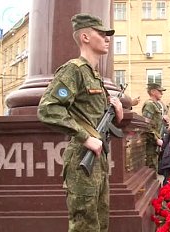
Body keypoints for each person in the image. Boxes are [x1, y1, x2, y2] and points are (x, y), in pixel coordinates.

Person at [37, 13, 123, 232]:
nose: (107, 38)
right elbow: (48, 108)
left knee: (100, 223)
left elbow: (92, 117)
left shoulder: (94, 76)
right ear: (85, 37)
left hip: (98, 159)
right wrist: (85, 138)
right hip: (82, 160)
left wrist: (116, 113)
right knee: (85, 226)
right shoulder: (73, 70)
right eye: (101, 33)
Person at [142, 83, 168, 171]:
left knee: (154, 167)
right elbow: (146, 125)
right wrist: (156, 139)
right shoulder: (149, 104)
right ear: (153, 92)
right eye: (159, 91)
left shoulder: (157, 105)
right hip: (151, 143)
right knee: (151, 168)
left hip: (155, 143)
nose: (162, 93)